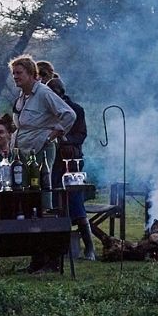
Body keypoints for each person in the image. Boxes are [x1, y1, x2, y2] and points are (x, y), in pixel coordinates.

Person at [9, 54, 76, 273]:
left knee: (43, 200)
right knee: (28, 201)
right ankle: (36, 258)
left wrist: (53, 135)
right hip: (23, 152)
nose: (15, 77)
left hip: (40, 150)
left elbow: (68, 115)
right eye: (14, 73)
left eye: (19, 73)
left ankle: (50, 259)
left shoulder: (44, 93)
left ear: (31, 74)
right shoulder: (23, 97)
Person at [45, 74, 96, 260]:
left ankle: (89, 248)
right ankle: (60, 248)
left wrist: (64, 140)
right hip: (51, 161)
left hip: (71, 162)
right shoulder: (47, 111)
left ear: (61, 93)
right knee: (55, 204)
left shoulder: (75, 110)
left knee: (75, 202)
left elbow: (81, 135)